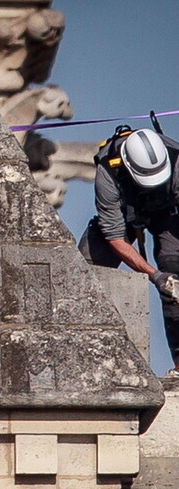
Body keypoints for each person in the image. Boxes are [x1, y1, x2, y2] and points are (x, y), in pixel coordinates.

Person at [79, 126, 179, 375]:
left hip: (167, 211)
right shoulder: (108, 171)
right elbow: (114, 236)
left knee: (175, 274)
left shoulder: (177, 160)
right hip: (125, 214)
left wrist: (168, 276)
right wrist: (154, 276)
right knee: (83, 275)